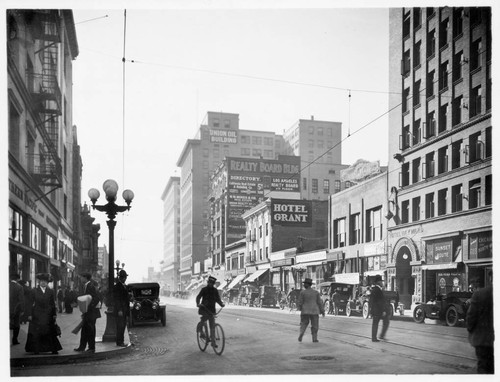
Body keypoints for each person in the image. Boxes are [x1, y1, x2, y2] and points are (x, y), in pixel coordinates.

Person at [25, 273, 62, 355]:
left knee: (50, 331)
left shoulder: (51, 291)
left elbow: (52, 303)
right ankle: (36, 349)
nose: (43, 283)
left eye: (45, 281)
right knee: (36, 332)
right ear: (39, 282)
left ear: (48, 282)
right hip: (37, 314)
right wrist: (29, 314)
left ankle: (53, 349)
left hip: (48, 314)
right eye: (41, 281)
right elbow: (29, 303)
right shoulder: (34, 291)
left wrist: (54, 314)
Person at [466, 271, 494, 374]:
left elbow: (470, 318)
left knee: (484, 370)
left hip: (484, 342)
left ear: (491, 278)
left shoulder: (479, 294)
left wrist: (472, 331)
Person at [74, 273, 101, 353]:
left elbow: (96, 298)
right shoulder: (85, 286)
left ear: (85, 278)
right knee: (85, 330)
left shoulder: (90, 286)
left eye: (82, 277)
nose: (81, 279)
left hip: (92, 313)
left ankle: (91, 348)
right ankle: (82, 347)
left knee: (90, 330)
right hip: (88, 313)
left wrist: (88, 308)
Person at [196, 276, 225, 347]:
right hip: (204, 309)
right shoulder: (204, 289)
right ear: (208, 282)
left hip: (211, 310)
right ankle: (201, 332)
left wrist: (221, 304)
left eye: (212, 283)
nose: (211, 284)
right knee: (203, 321)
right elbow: (198, 297)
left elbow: (218, 299)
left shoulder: (215, 290)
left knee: (212, 327)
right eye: (210, 282)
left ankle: (213, 342)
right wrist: (198, 303)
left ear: (213, 283)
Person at [297, 278, 325, 343]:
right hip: (314, 311)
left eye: (304, 284)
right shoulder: (316, 293)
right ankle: (314, 338)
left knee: (303, 323)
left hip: (305, 311)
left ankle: (301, 333)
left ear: (307, 284)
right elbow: (319, 302)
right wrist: (322, 311)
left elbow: (300, 302)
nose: (304, 285)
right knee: (315, 325)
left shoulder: (302, 292)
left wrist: (300, 308)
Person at [369, 275, 389, 342]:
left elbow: (371, 301)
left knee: (376, 323)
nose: (382, 282)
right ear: (378, 282)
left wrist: (371, 310)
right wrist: (383, 310)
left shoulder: (374, 290)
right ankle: (377, 337)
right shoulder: (378, 290)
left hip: (375, 310)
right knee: (384, 322)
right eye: (381, 281)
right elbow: (380, 302)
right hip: (378, 310)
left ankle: (375, 337)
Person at [113, 269, 130, 347]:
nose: (125, 279)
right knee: (120, 326)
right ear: (121, 278)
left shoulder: (124, 286)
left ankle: (121, 341)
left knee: (122, 326)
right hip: (120, 310)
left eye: (125, 277)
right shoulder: (117, 287)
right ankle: (119, 342)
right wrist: (119, 310)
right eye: (124, 277)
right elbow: (117, 299)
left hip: (124, 309)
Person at [9, 273, 24, 345]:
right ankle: (14, 339)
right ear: (17, 279)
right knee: (16, 324)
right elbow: (21, 300)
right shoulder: (19, 287)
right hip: (16, 309)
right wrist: (22, 310)